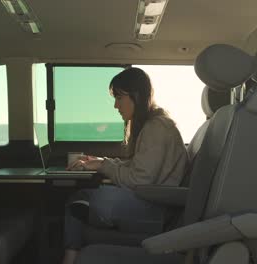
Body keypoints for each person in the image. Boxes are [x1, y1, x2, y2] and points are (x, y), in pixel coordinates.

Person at [61, 67, 188, 264]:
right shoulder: (152, 125)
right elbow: (139, 165)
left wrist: (103, 166)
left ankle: (70, 257)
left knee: (78, 202)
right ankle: (71, 255)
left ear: (136, 96)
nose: (115, 105)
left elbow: (140, 180)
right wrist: (102, 162)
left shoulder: (157, 128)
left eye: (119, 98)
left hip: (155, 210)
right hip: (150, 204)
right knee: (79, 199)